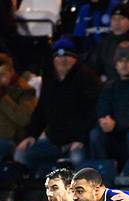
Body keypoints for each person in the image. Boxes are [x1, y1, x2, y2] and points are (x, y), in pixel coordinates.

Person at [16, 38, 101, 172]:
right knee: (22, 154)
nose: (62, 60)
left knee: (77, 160)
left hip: (79, 141)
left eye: (67, 55)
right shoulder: (49, 79)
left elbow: (92, 113)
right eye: (58, 56)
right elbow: (41, 111)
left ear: (75, 58)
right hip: (54, 140)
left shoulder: (87, 78)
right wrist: (31, 135)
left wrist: (80, 139)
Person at [87, 4, 129, 82]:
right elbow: (94, 65)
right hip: (111, 87)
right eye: (114, 19)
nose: (117, 23)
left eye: (121, 18)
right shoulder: (106, 42)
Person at [0, 52, 36, 161]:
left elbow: (25, 119)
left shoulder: (24, 90)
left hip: (12, 140)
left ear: (11, 71)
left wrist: (3, 97)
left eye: (2, 74)